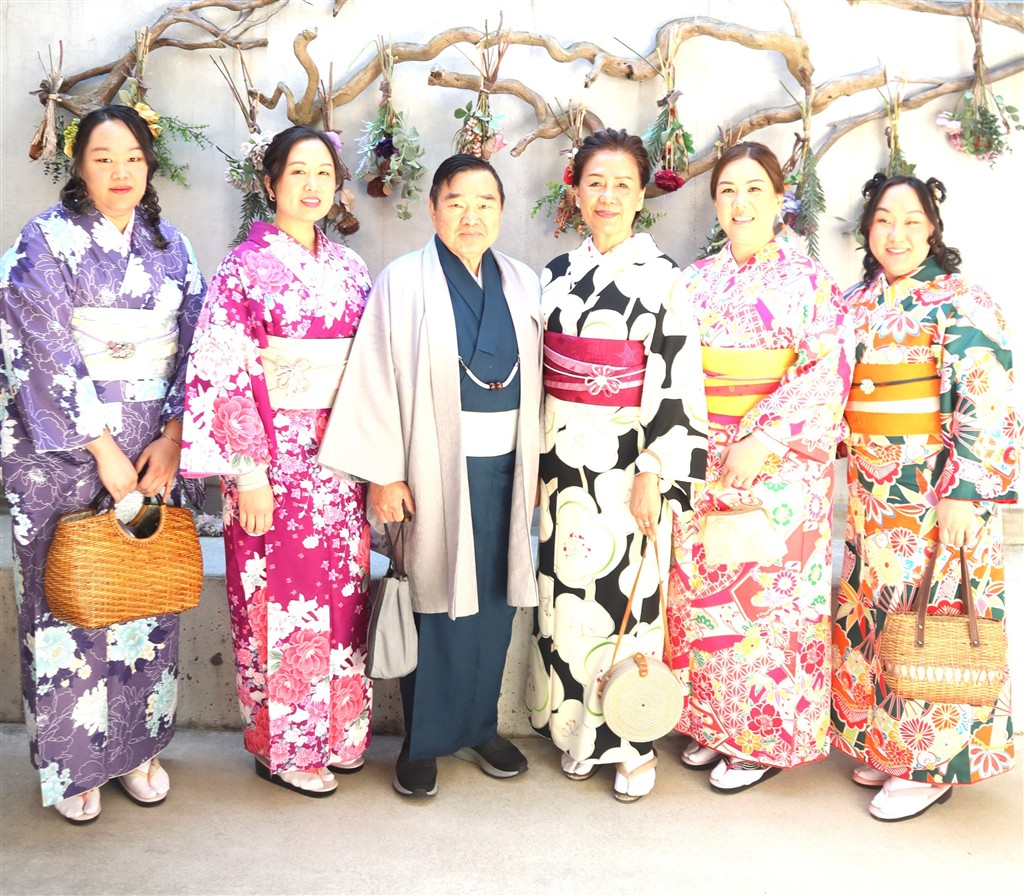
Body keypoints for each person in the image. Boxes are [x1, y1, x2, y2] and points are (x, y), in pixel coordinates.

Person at [0, 104, 206, 823]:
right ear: (79, 168)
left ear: (150, 165)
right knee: (67, 598)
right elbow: (39, 349)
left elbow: (197, 345)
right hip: (63, 453)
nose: (121, 172)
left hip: (151, 447)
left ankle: (137, 749)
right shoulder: (42, 242)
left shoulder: (173, 247)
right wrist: (102, 450)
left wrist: (173, 434)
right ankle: (73, 762)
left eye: (133, 159)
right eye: (103, 158)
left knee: (142, 593)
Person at [318, 154, 542, 799]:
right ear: (433, 208)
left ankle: (479, 727)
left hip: (508, 466)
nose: (471, 216)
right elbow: (375, 377)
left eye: (485, 203)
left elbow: (542, 381)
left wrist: (536, 467)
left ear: (502, 211)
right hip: (431, 466)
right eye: (457, 202)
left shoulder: (522, 281)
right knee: (436, 600)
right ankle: (423, 740)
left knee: (494, 603)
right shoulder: (403, 281)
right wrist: (384, 475)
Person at [181, 126, 372, 798]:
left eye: (324, 172)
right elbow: (223, 370)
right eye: (297, 172)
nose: (313, 185)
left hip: (340, 456)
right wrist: (249, 473)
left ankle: (339, 732)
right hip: (271, 460)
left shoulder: (351, 269)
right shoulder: (242, 270)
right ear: (270, 184)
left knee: (342, 597)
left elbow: (370, 369)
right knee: (279, 601)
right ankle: (285, 747)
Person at [525, 128, 708, 803]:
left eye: (622, 185)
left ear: (641, 196)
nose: (607, 196)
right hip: (560, 463)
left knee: (630, 603)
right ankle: (577, 735)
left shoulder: (663, 279)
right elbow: (538, 378)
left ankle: (632, 742)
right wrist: (532, 462)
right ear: (575, 191)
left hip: (628, 465)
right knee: (567, 602)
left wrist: (654, 471)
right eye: (595, 183)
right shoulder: (555, 276)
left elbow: (677, 381)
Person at [666, 141, 853, 792]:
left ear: (779, 199)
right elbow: (673, 369)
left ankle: (763, 737)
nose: (739, 203)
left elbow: (827, 371)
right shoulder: (696, 280)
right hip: (705, 455)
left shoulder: (808, 281)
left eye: (754, 189)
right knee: (705, 598)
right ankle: (713, 724)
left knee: (766, 605)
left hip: (777, 469)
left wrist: (764, 438)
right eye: (727, 190)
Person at [830, 173, 1018, 821]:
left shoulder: (961, 301)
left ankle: (930, 761)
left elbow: (987, 397)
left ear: (933, 229)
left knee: (932, 614)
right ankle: (887, 743)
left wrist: (965, 489)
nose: (897, 234)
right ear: (867, 229)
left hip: (937, 488)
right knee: (879, 613)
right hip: (872, 490)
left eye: (912, 221)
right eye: (884, 220)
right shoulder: (854, 302)